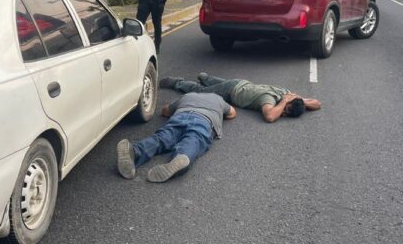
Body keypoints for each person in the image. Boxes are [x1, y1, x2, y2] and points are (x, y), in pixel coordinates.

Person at [116, 92, 236, 183]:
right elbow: (232, 112)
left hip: (180, 115)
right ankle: (181, 157)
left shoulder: (188, 96)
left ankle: (134, 151)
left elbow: (165, 111)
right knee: (194, 140)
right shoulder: (219, 99)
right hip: (204, 120)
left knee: (162, 138)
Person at [159, 73, 321, 123]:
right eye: (284, 111)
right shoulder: (269, 100)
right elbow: (270, 116)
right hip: (233, 90)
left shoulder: (287, 92)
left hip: (240, 84)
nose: (282, 113)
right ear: (287, 100)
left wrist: (301, 100)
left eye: (284, 114)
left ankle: (205, 76)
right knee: (201, 91)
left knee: (215, 84)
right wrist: (285, 101)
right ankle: (175, 82)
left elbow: (318, 103)